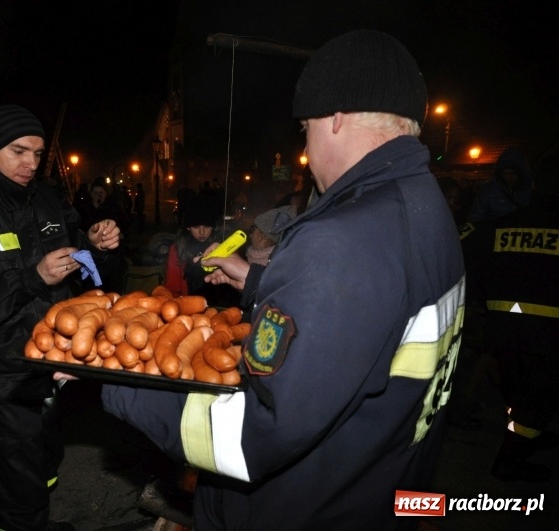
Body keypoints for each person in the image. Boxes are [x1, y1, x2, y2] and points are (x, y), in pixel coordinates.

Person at [99, 30, 465, 530]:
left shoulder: (341, 239)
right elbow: (365, 322)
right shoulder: (427, 210)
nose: (307, 149)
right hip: (374, 495)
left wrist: (120, 385)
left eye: (306, 129)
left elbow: (255, 433)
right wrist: (258, 282)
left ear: (335, 118)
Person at [0, 104, 122, 531]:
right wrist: (33, 277)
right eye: (19, 151)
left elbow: (74, 250)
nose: (30, 163)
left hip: (53, 360)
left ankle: (37, 516)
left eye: (36, 153)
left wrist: (94, 243)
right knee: (17, 468)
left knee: (45, 453)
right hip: (1, 370)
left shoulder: (48, 198)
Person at [460, 153, 559, 482]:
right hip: (546, 338)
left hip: (500, 334)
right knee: (539, 399)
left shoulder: (498, 228)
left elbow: (464, 262)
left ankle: (523, 436)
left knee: (521, 398)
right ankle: (510, 458)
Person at [163, 197, 240, 308]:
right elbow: (172, 288)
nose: (202, 232)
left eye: (207, 226)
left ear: (213, 227)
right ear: (188, 227)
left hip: (220, 307)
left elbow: (234, 288)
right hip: (188, 306)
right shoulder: (178, 248)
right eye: (196, 227)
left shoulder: (223, 247)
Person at [466, 147, 533, 223]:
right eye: (505, 174)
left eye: (513, 174)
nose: (509, 178)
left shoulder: (528, 190)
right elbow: (475, 217)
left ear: (520, 174)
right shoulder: (488, 191)